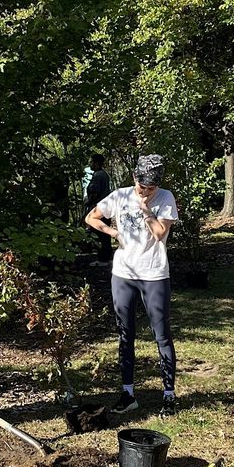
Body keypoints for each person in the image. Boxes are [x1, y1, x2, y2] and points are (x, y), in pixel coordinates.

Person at [85, 153, 180, 417]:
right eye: (141, 185)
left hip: (154, 274)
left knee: (162, 334)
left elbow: (160, 233)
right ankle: (128, 394)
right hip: (123, 273)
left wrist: (147, 211)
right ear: (134, 177)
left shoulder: (165, 198)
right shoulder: (120, 196)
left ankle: (169, 395)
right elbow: (91, 218)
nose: (145, 191)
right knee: (125, 334)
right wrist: (113, 232)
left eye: (151, 187)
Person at [84, 153, 112, 262]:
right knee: (104, 234)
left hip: (98, 209)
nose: (90, 164)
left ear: (96, 163)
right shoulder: (104, 174)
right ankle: (106, 257)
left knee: (99, 234)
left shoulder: (98, 176)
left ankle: (103, 259)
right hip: (105, 208)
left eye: (91, 162)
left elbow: (94, 193)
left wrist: (88, 203)